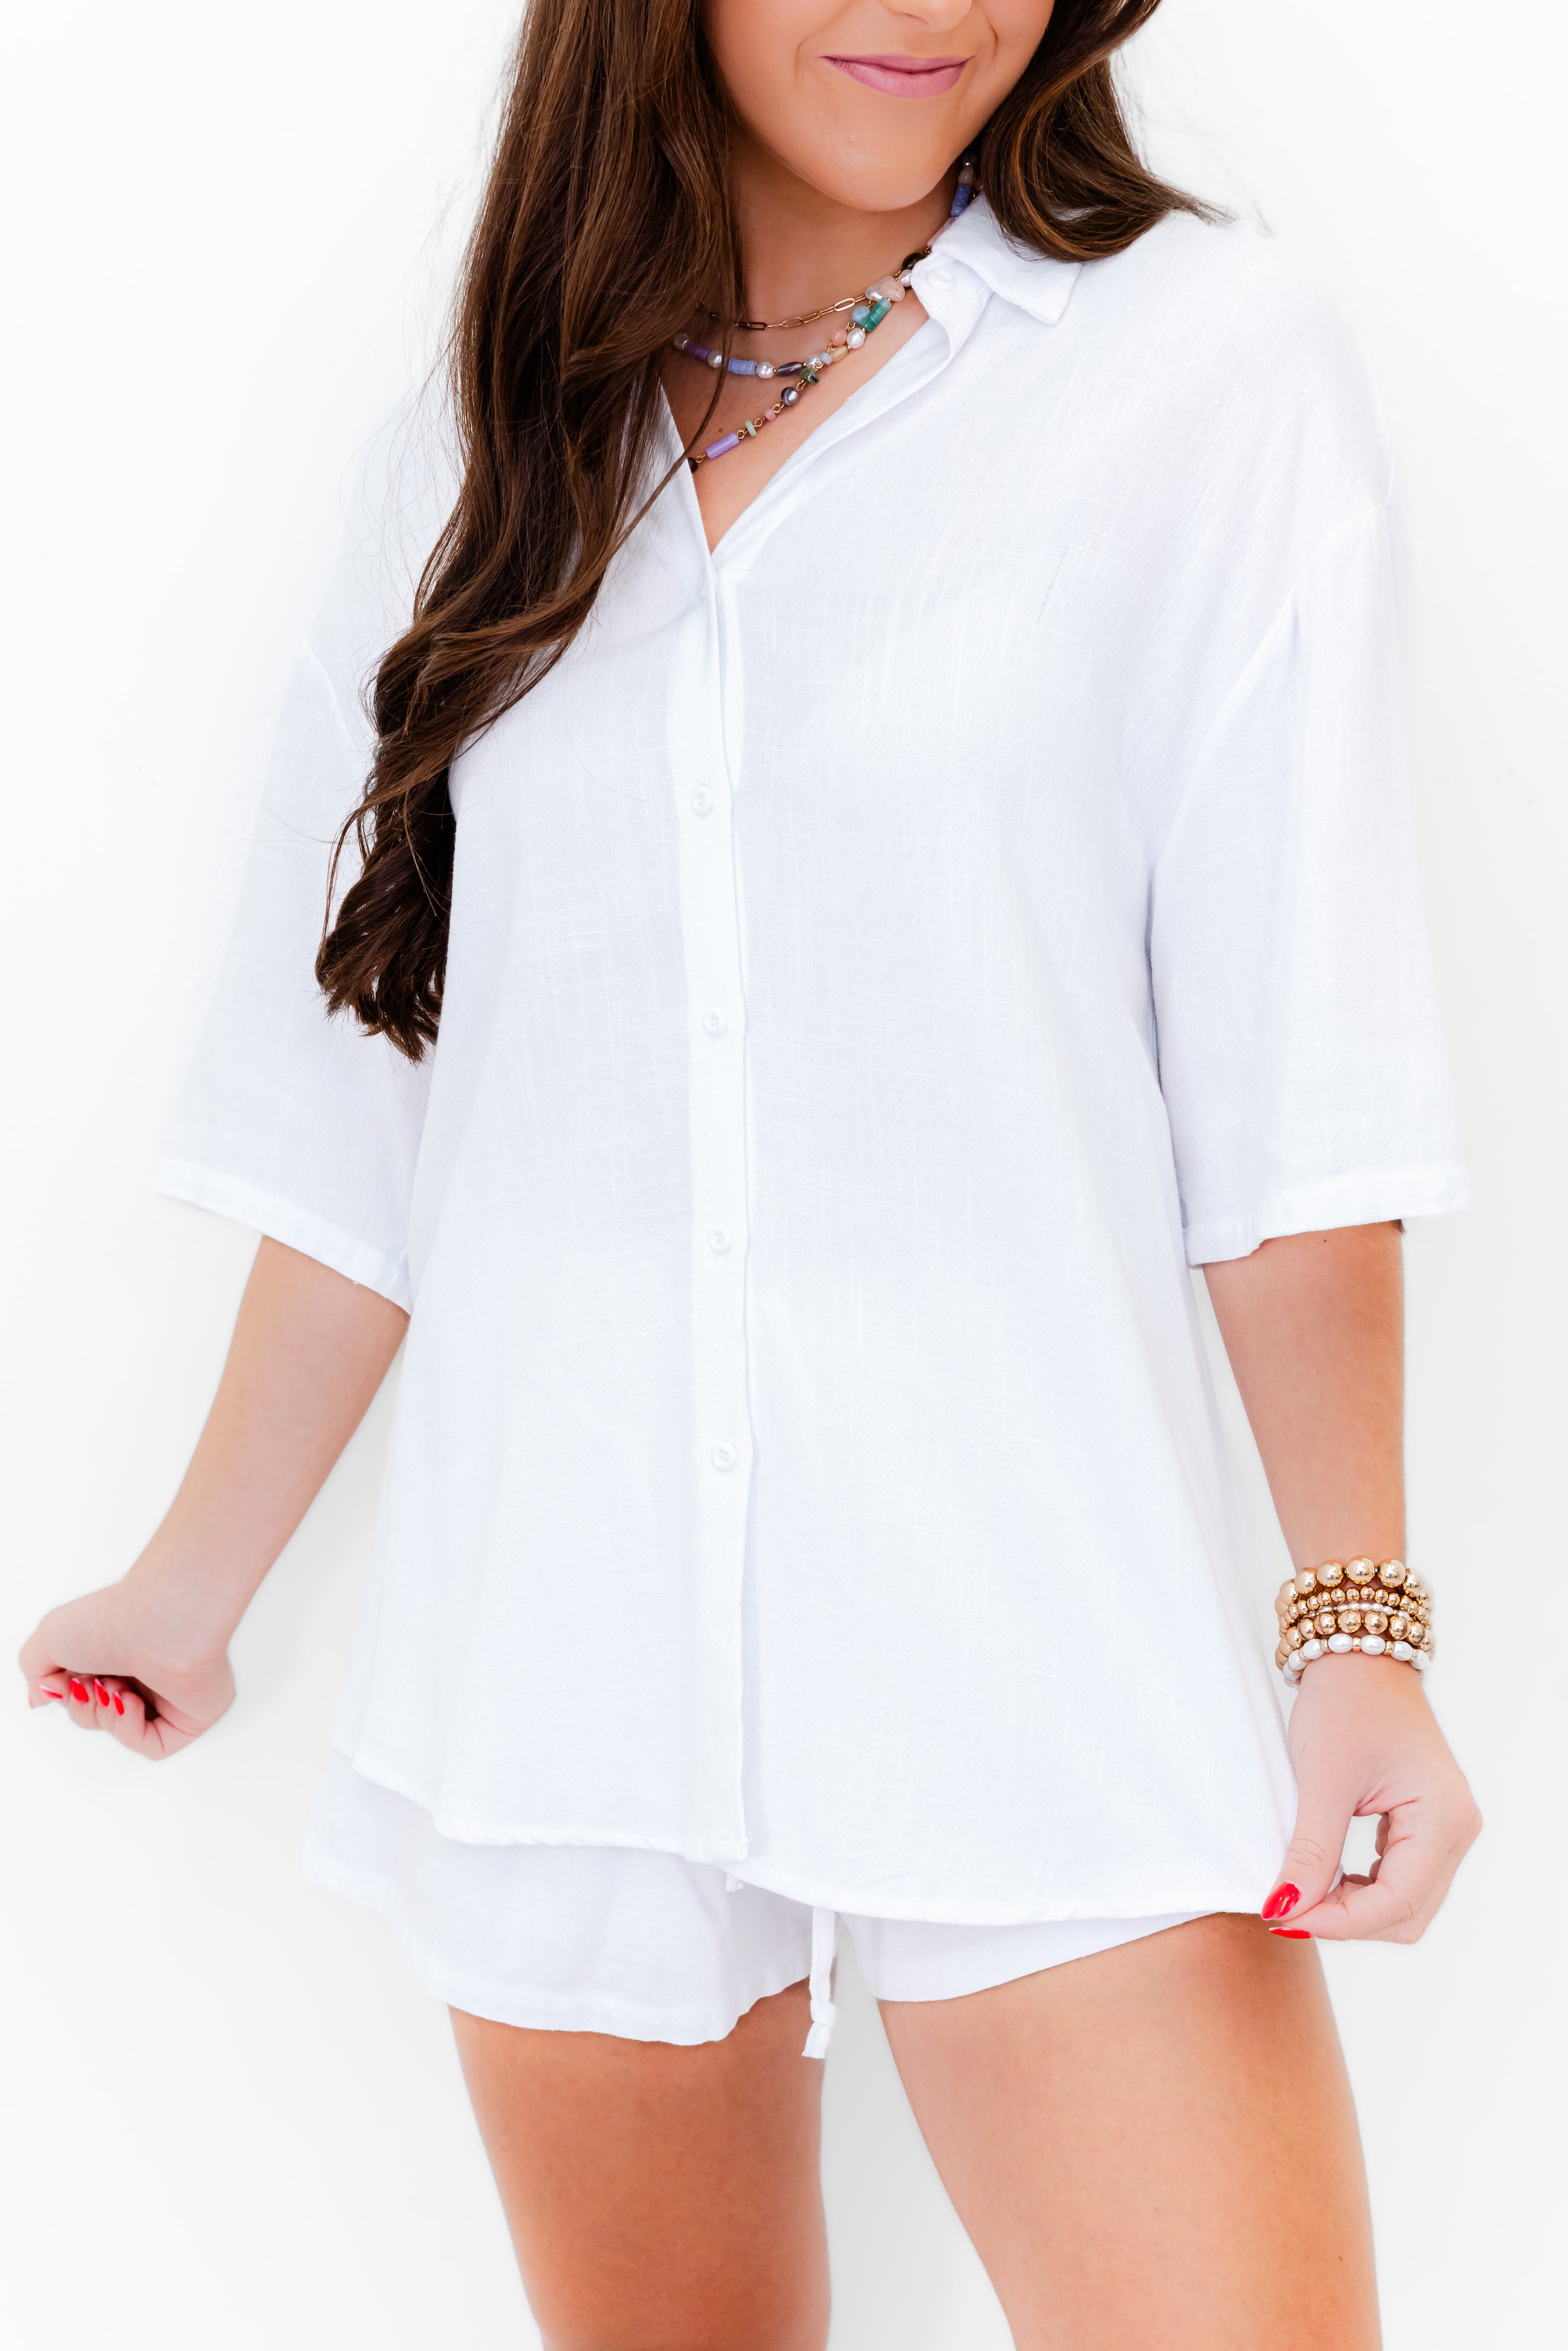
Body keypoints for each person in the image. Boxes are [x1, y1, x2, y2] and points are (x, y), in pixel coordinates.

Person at [21, 3, 1482, 2344]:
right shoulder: (484, 438)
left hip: (1037, 1635)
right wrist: (191, 1584)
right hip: (565, 1656)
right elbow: (394, 1085)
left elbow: (1293, 1080)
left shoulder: (1203, 369)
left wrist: (1360, 1632)